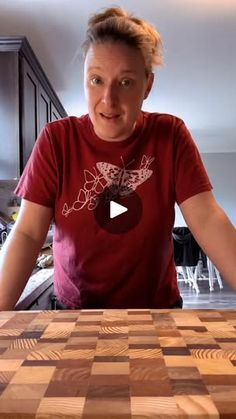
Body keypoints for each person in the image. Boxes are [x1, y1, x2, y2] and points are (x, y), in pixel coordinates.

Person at [0, 7, 235, 310]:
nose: (108, 99)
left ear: (147, 85)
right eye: (96, 80)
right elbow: (29, 233)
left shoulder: (170, 135)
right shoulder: (56, 140)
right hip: (75, 314)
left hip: (155, 313)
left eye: (125, 82)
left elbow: (207, 219)